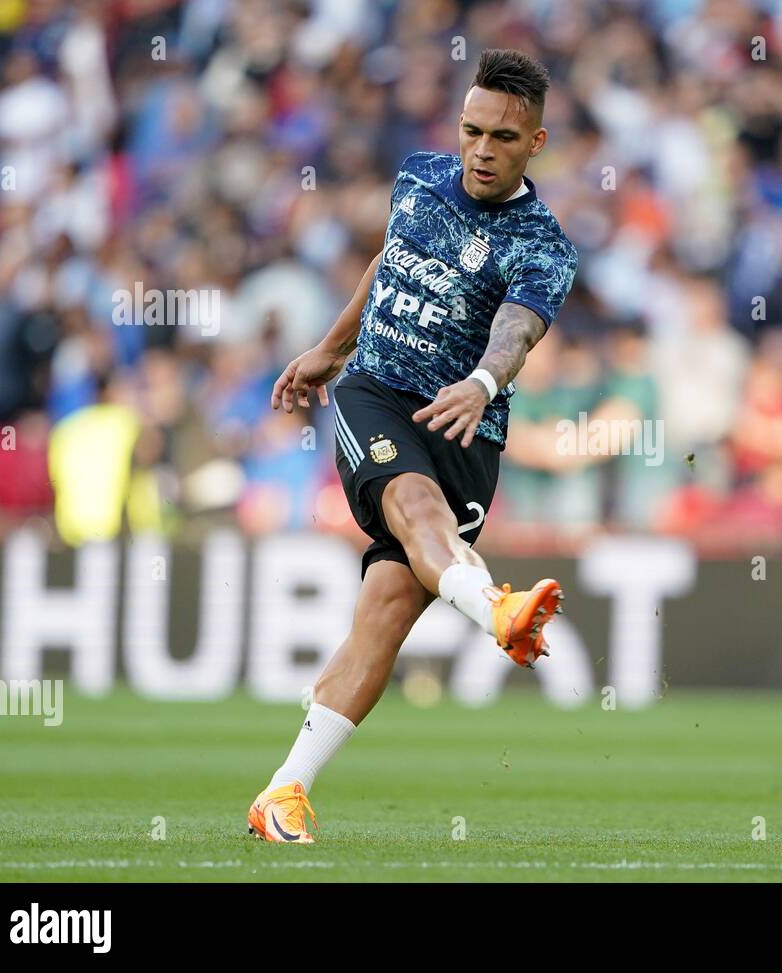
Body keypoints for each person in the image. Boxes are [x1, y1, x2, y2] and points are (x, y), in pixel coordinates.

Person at [246, 49, 578, 844]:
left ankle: (283, 791)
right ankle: (496, 607)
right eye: (471, 130)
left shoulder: (544, 244)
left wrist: (486, 384)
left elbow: (516, 329)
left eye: (502, 136)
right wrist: (331, 348)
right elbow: (389, 260)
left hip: (467, 429)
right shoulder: (418, 177)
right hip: (376, 395)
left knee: (387, 614)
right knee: (414, 505)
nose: (482, 149)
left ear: (535, 142)